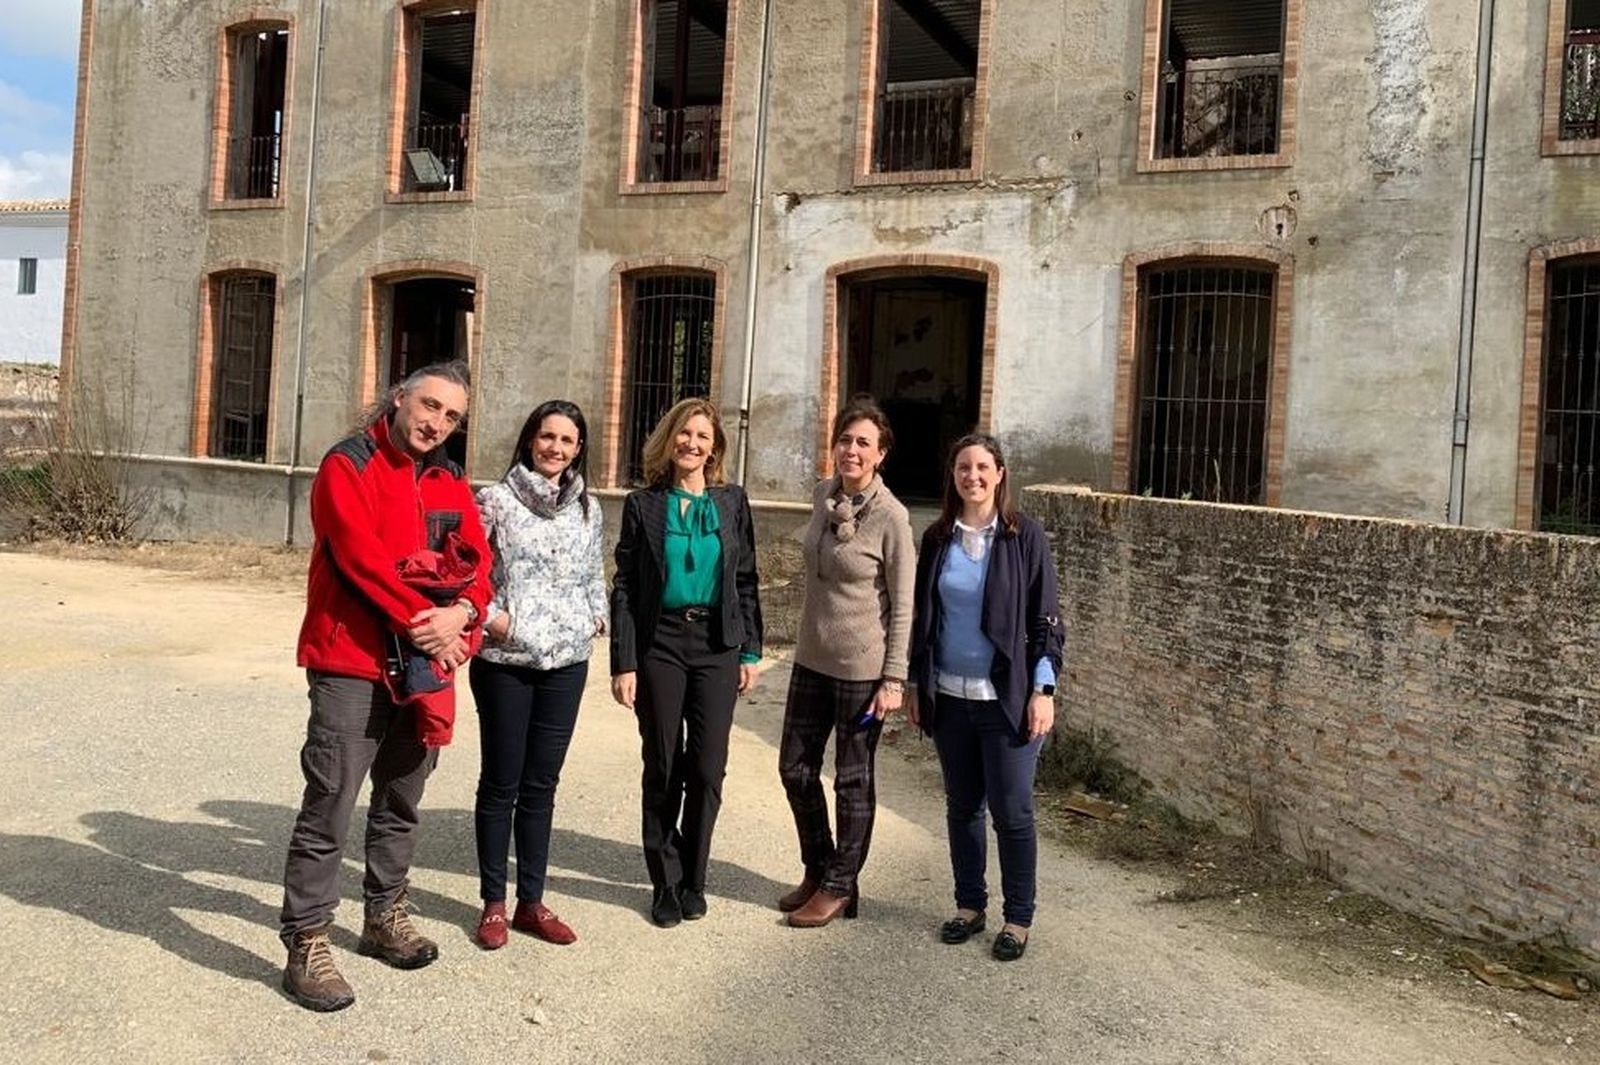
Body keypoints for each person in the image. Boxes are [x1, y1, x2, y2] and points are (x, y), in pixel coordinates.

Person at [279, 360, 492, 1011]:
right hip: (353, 660)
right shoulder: (349, 463)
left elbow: (480, 565)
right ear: (400, 397)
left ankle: (383, 916)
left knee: (401, 799)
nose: (436, 423)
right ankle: (308, 937)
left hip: (425, 671)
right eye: (429, 406)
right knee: (332, 801)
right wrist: (427, 623)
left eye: (451, 416)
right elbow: (358, 557)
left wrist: (465, 617)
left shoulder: (450, 477)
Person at [909, 433, 1065, 962]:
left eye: (981, 467)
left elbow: (1047, 623)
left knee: (1013, 812)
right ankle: (969, 906)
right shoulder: (935, 539)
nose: (971, 476)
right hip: (951, 697)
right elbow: (922, 620)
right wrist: (915, 682)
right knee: (962, 808)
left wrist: (1043, 690)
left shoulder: (1024, 538)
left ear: (999, 474)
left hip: (1009, 700)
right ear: (952, 477)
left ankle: (1018, 917)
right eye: (961, 468)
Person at [609, 397, 763, 928]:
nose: (691, 444)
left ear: (714, 447)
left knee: (706, 766)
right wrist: (623, 661)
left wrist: (750, 650)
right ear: (668, 439)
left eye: (702, 437)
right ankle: (664, 881)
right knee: (663, 762)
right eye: (683, 434)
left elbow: (745, 578)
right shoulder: (643, 505)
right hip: (662, 642)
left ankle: (695, 876)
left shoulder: (731, 502)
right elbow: (626, 586)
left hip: (717, 644)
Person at [468, 400, 606, 950]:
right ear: (529, 441)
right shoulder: (495, 501)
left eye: (567, 441)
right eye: (547, 437)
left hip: (565, 664)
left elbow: (594, 571)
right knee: (501, 783)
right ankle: (494, 905)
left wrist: (593, 615)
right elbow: (468, 569)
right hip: (506, 663)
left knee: (542, 787)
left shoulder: (587, 508)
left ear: (578, 450)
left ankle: (532, 900)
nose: (556, 448)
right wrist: (492, 618)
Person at [777, 398, 914, 927]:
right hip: (812, 659)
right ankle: (820, 867)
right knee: (794, 768)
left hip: (862, 671)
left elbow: (904, 603)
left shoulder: (892, 517)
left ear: (880, 455)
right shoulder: (821, 496)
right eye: (844, 439)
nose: (850, 450)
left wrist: (894, 678)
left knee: (852, 779)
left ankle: (840, 885)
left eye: (863, 443)